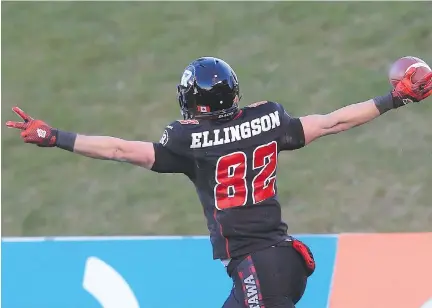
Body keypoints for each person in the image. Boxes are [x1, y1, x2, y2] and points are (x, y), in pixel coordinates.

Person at [6, 57, 432, 308]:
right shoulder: (266, 120)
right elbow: (334, 121)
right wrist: (394, 98)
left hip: (258, 266)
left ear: (192, 101)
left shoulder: (188, 140)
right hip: (281, 263)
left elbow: (119, 149)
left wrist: (56, 137)